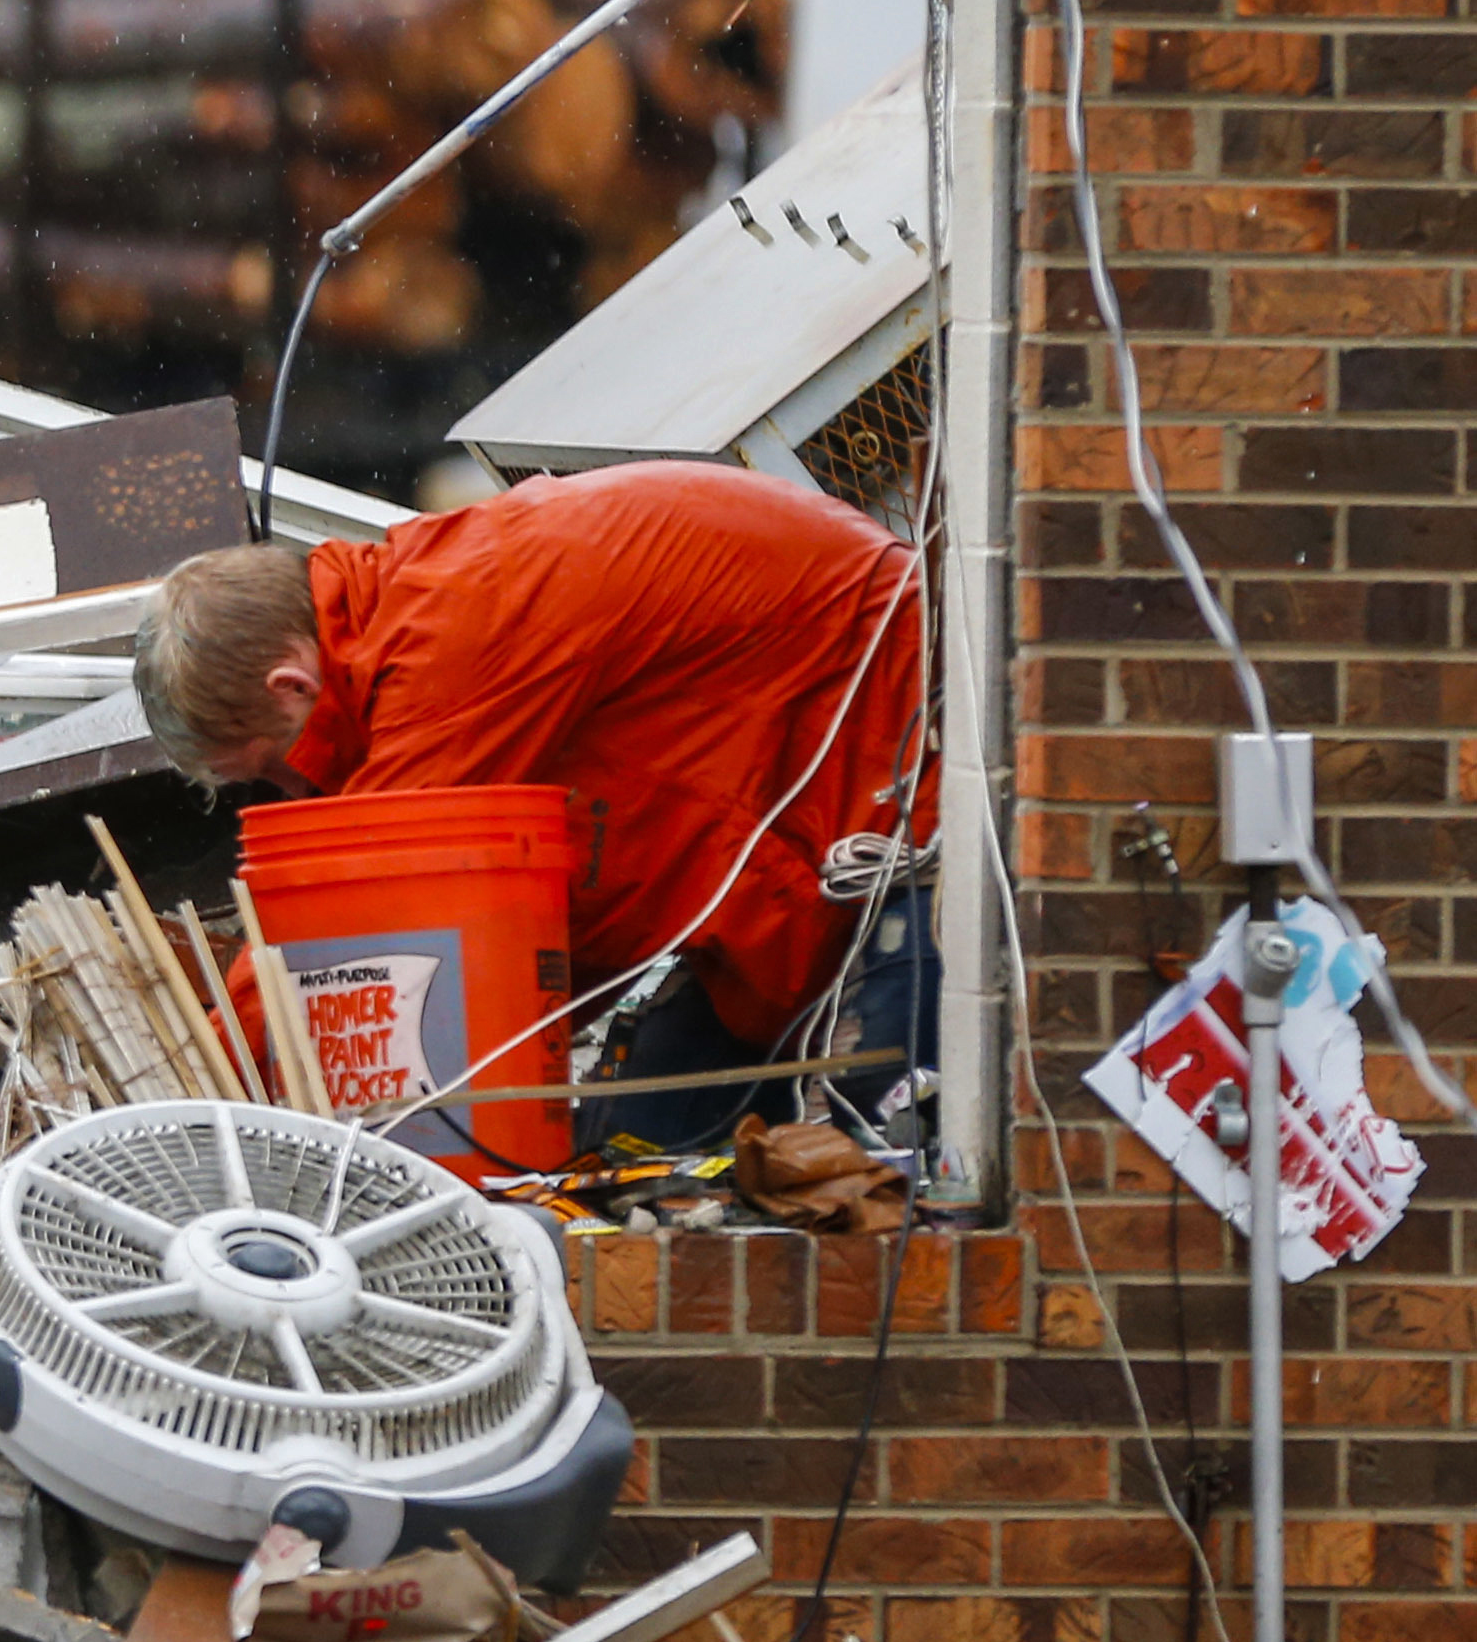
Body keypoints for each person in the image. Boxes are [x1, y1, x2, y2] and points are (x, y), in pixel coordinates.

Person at [129, 459, 930, 1151]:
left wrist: (194, 1084)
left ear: (293, 686)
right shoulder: (425, 606)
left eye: (277, 771)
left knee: (892, 1154)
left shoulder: (452, 632)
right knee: (631, 1150)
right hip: (808, 822)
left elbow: (353, 923)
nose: (297, 797)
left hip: (908, 796)